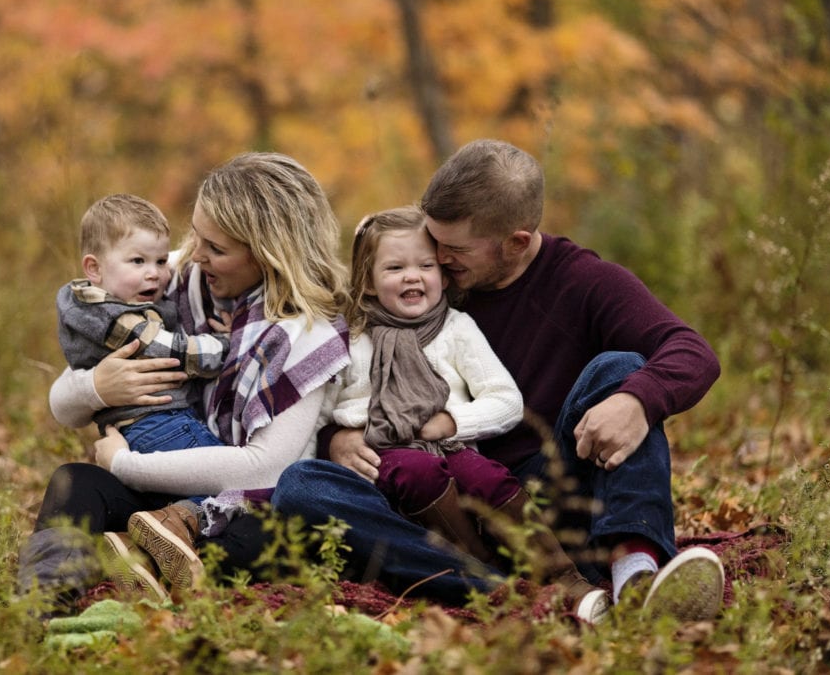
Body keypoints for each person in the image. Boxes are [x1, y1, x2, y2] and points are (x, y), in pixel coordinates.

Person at [273, 139, 725, 622]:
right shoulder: (425, 284)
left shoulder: (585, 283)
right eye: (433, 242)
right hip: (431, 502)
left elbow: (693, 353)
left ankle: (636, 575)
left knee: (620, 369)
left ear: (518, 241)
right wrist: (336, 438)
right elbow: (348, 379)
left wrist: (637, 400)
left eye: (454, 250)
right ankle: (495, 586)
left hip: (543, 491)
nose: (437, 261)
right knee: (302, 486)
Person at [18, 152, 351, 611]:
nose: (195, 255)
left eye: (215, 247)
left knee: (252, 535)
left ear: (268, 252)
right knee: (73, 483)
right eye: (196, 236)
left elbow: (264, 468)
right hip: (167, 478)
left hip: (243, 502)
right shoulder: (181, 279)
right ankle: (36, 607)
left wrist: (125, 467)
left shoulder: (307, 334)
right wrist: (98, 386)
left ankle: (141, 570)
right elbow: (62, 404)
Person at [332, 205, 609, 623]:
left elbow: (505, 400)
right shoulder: (350, 338)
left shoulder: (456, 328)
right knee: (416, 470)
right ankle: (483, 576)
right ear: (367, 284)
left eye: (425, 265)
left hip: (452, 444)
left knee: (486, 475)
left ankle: (566, 579)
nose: (412, 275)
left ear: (442, 274)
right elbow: (322, 406)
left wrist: (452, 422)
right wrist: (337, 436)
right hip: (384, 454)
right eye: (394, 267)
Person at [56, 193, 229, 460]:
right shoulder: (115, 317)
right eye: (138, 261)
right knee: (222, 477)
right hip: (157, 422)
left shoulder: (98, 300)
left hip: (147, 425)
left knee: (204, 483)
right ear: (94, 268)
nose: (155, 273)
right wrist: (229, 343)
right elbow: (176, 353)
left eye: (161, 261)